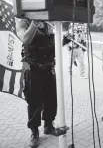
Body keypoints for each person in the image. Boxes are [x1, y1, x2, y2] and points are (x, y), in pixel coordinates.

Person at [16, 19, 65, 148]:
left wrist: (64, 39)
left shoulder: (48, 23)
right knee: (34, 102)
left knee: (51, 100)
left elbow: (53, 45)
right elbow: (25, 39)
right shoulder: (24, 23)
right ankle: (34, 132)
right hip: (32, 70)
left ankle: (49, 126)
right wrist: (34, 23)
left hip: (48, 69)